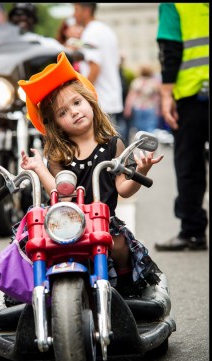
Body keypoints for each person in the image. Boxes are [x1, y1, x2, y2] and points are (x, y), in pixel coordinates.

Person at [18, 51, 164, 294]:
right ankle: (41, 292)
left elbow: (123, 189)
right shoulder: (59, 153)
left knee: (118, 246)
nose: (73, 112)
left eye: (77, 103)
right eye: (63, 113)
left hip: (102, 222)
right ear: (55, 124)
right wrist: (39, 168)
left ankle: (127, 288)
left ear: (90, 102)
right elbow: (60, 194)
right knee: (36, 246)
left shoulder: (112, 144)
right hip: (65, 220)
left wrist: (141, 168)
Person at [154, 3, 209, 251]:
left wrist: (167, 95)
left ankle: (193, 232)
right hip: (194, 95)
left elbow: (170, 49)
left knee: (190, 163)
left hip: (192, 95)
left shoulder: (175, 4)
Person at [72, 3, 128, 145]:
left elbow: (95, 67)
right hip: (110, 98)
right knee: (112, 149)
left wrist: (81, 94)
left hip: (100, 101)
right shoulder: (106, 30)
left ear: (86, 11)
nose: (74, 15)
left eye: (76, 10)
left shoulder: (91, 32)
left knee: (102, 153)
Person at [124, 64, 161, 134]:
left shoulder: (136, 82)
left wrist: (127, 109)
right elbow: (157, 98)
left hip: (138, 108)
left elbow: (131, 97)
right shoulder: (154, 83)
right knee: (150, 128)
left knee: (139, 129)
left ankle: (141, 143)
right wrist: (158, 110)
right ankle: (150, 143)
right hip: (150, 108)